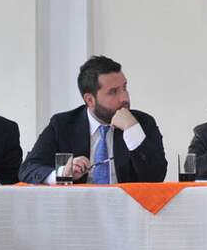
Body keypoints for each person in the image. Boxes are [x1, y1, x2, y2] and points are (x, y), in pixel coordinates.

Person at [19, 55, 167, 184]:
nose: (124, 98)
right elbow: (28, 169)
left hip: (127, 206)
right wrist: (63, 173)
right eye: (113, 92)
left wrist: (132, 130)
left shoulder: (142, 123)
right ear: (90, 100)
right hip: (77, 206)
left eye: (124, 88)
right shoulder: (63, 125)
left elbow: (156, 176)